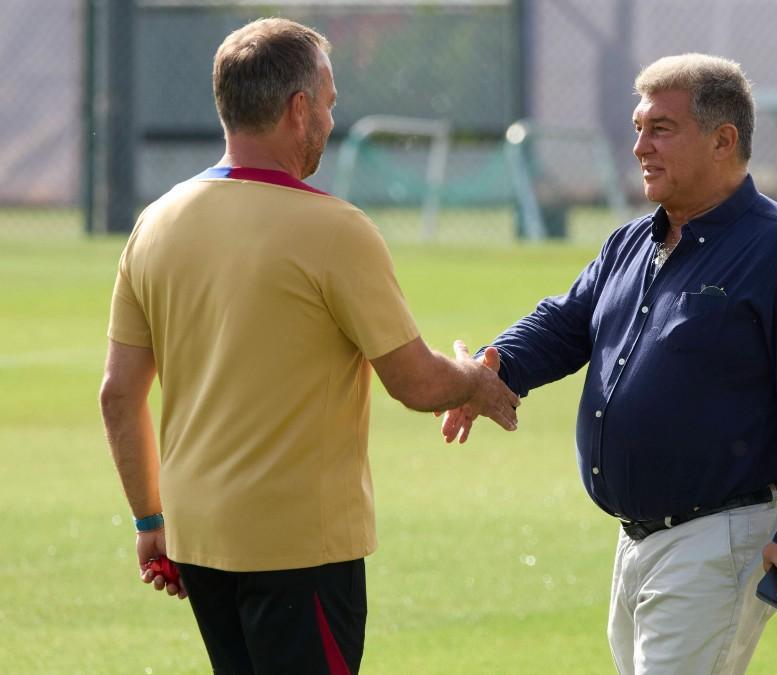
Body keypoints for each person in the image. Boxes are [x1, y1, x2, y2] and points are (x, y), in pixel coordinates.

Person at [98, 18, 519, 675]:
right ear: (299, 109)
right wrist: (474, 376)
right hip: (298, 549)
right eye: (328, 102)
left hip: (198, 541)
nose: (330, 118)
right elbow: (417, 383)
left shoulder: (155, 222)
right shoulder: (335, 229)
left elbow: (118, 395)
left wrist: (149, 521)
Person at [440, 53, 777, 674]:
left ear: (723, 140)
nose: (640, 147)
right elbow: (565, 322)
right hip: (636, 542)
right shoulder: (633, 240)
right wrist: (489, 370)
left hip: (719, 538)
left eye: (661, 129)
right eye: (639, 128)